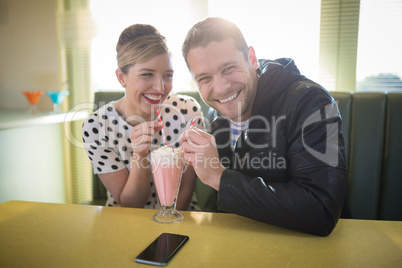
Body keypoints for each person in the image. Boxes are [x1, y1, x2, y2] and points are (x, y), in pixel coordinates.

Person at [179, 17, 351, 236]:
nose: (220, 88)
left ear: (251, 58)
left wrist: (220, 179)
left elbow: (321, 210)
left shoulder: (311, 102)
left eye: (229, 68)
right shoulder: (216, 112)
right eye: (204, 78)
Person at [82, 24, 203, 210]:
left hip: (182, 219)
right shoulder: (97, 127)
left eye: (168, 76)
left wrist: (168, 227)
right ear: (121, 78)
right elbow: (131, 203)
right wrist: (139, 154)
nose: (160, 88)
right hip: (127, 222)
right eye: (147, 74)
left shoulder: (187, 111)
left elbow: (185, 189)